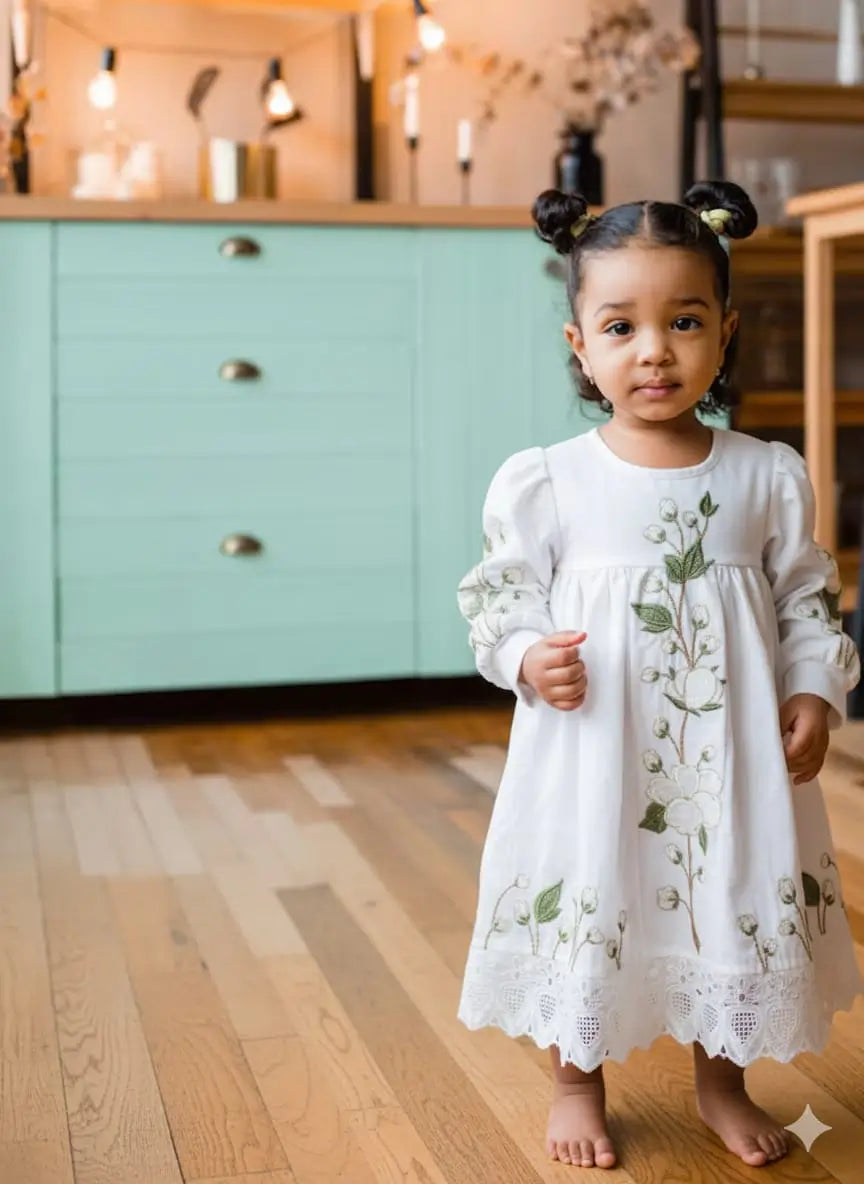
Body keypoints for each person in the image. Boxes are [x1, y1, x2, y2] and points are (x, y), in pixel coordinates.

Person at [456, 180, 862, 1171]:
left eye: (683, 321)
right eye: (622, 325)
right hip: (594, 752)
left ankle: (722, 1080)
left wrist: (812, 688)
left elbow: (809, 595)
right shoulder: (548, 479)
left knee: (723, 892)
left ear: (725, 332)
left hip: (727, 761)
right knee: (595, 883)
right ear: (579, 346)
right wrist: (524, 655)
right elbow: (497, 599)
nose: (655, 349)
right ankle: (574, 1078)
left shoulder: (764, 474)